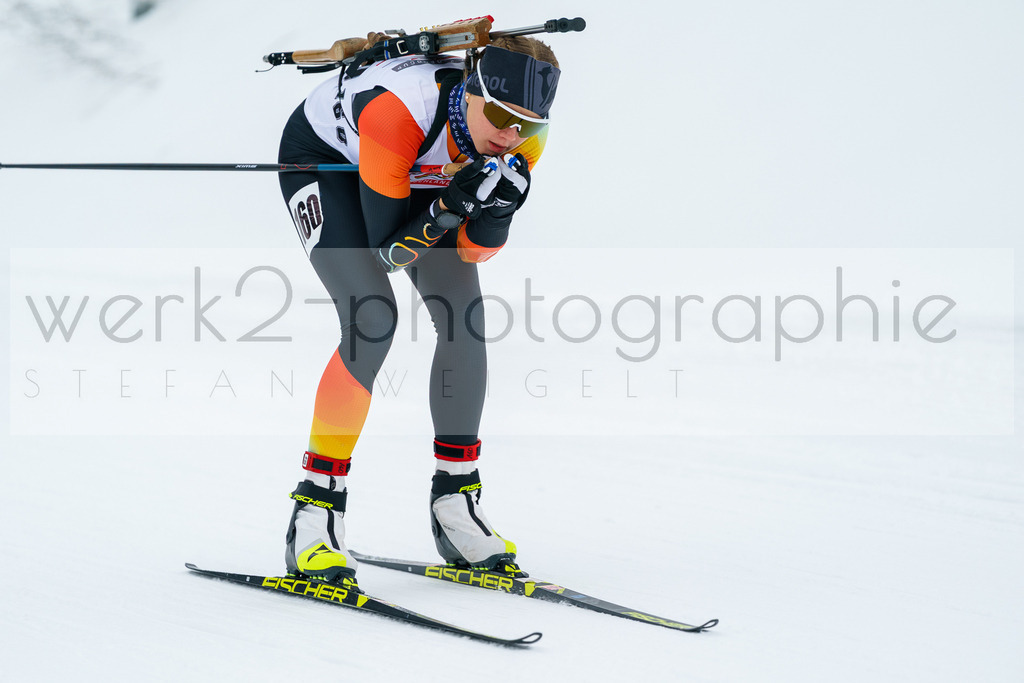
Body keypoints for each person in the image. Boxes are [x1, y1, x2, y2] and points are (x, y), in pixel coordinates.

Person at [276, 35, 561, 587]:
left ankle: (456, 507)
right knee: (372, 317)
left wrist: (496, 210)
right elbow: (387, 252)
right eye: (501, 115)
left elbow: (477, 250)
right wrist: (454, 203)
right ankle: (314, 517)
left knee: (464, 317)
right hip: (331, 160)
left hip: (421, 175)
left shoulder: (520, 142)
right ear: (472, 92)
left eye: (529, 124)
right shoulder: (396, 111)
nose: (511, 135)